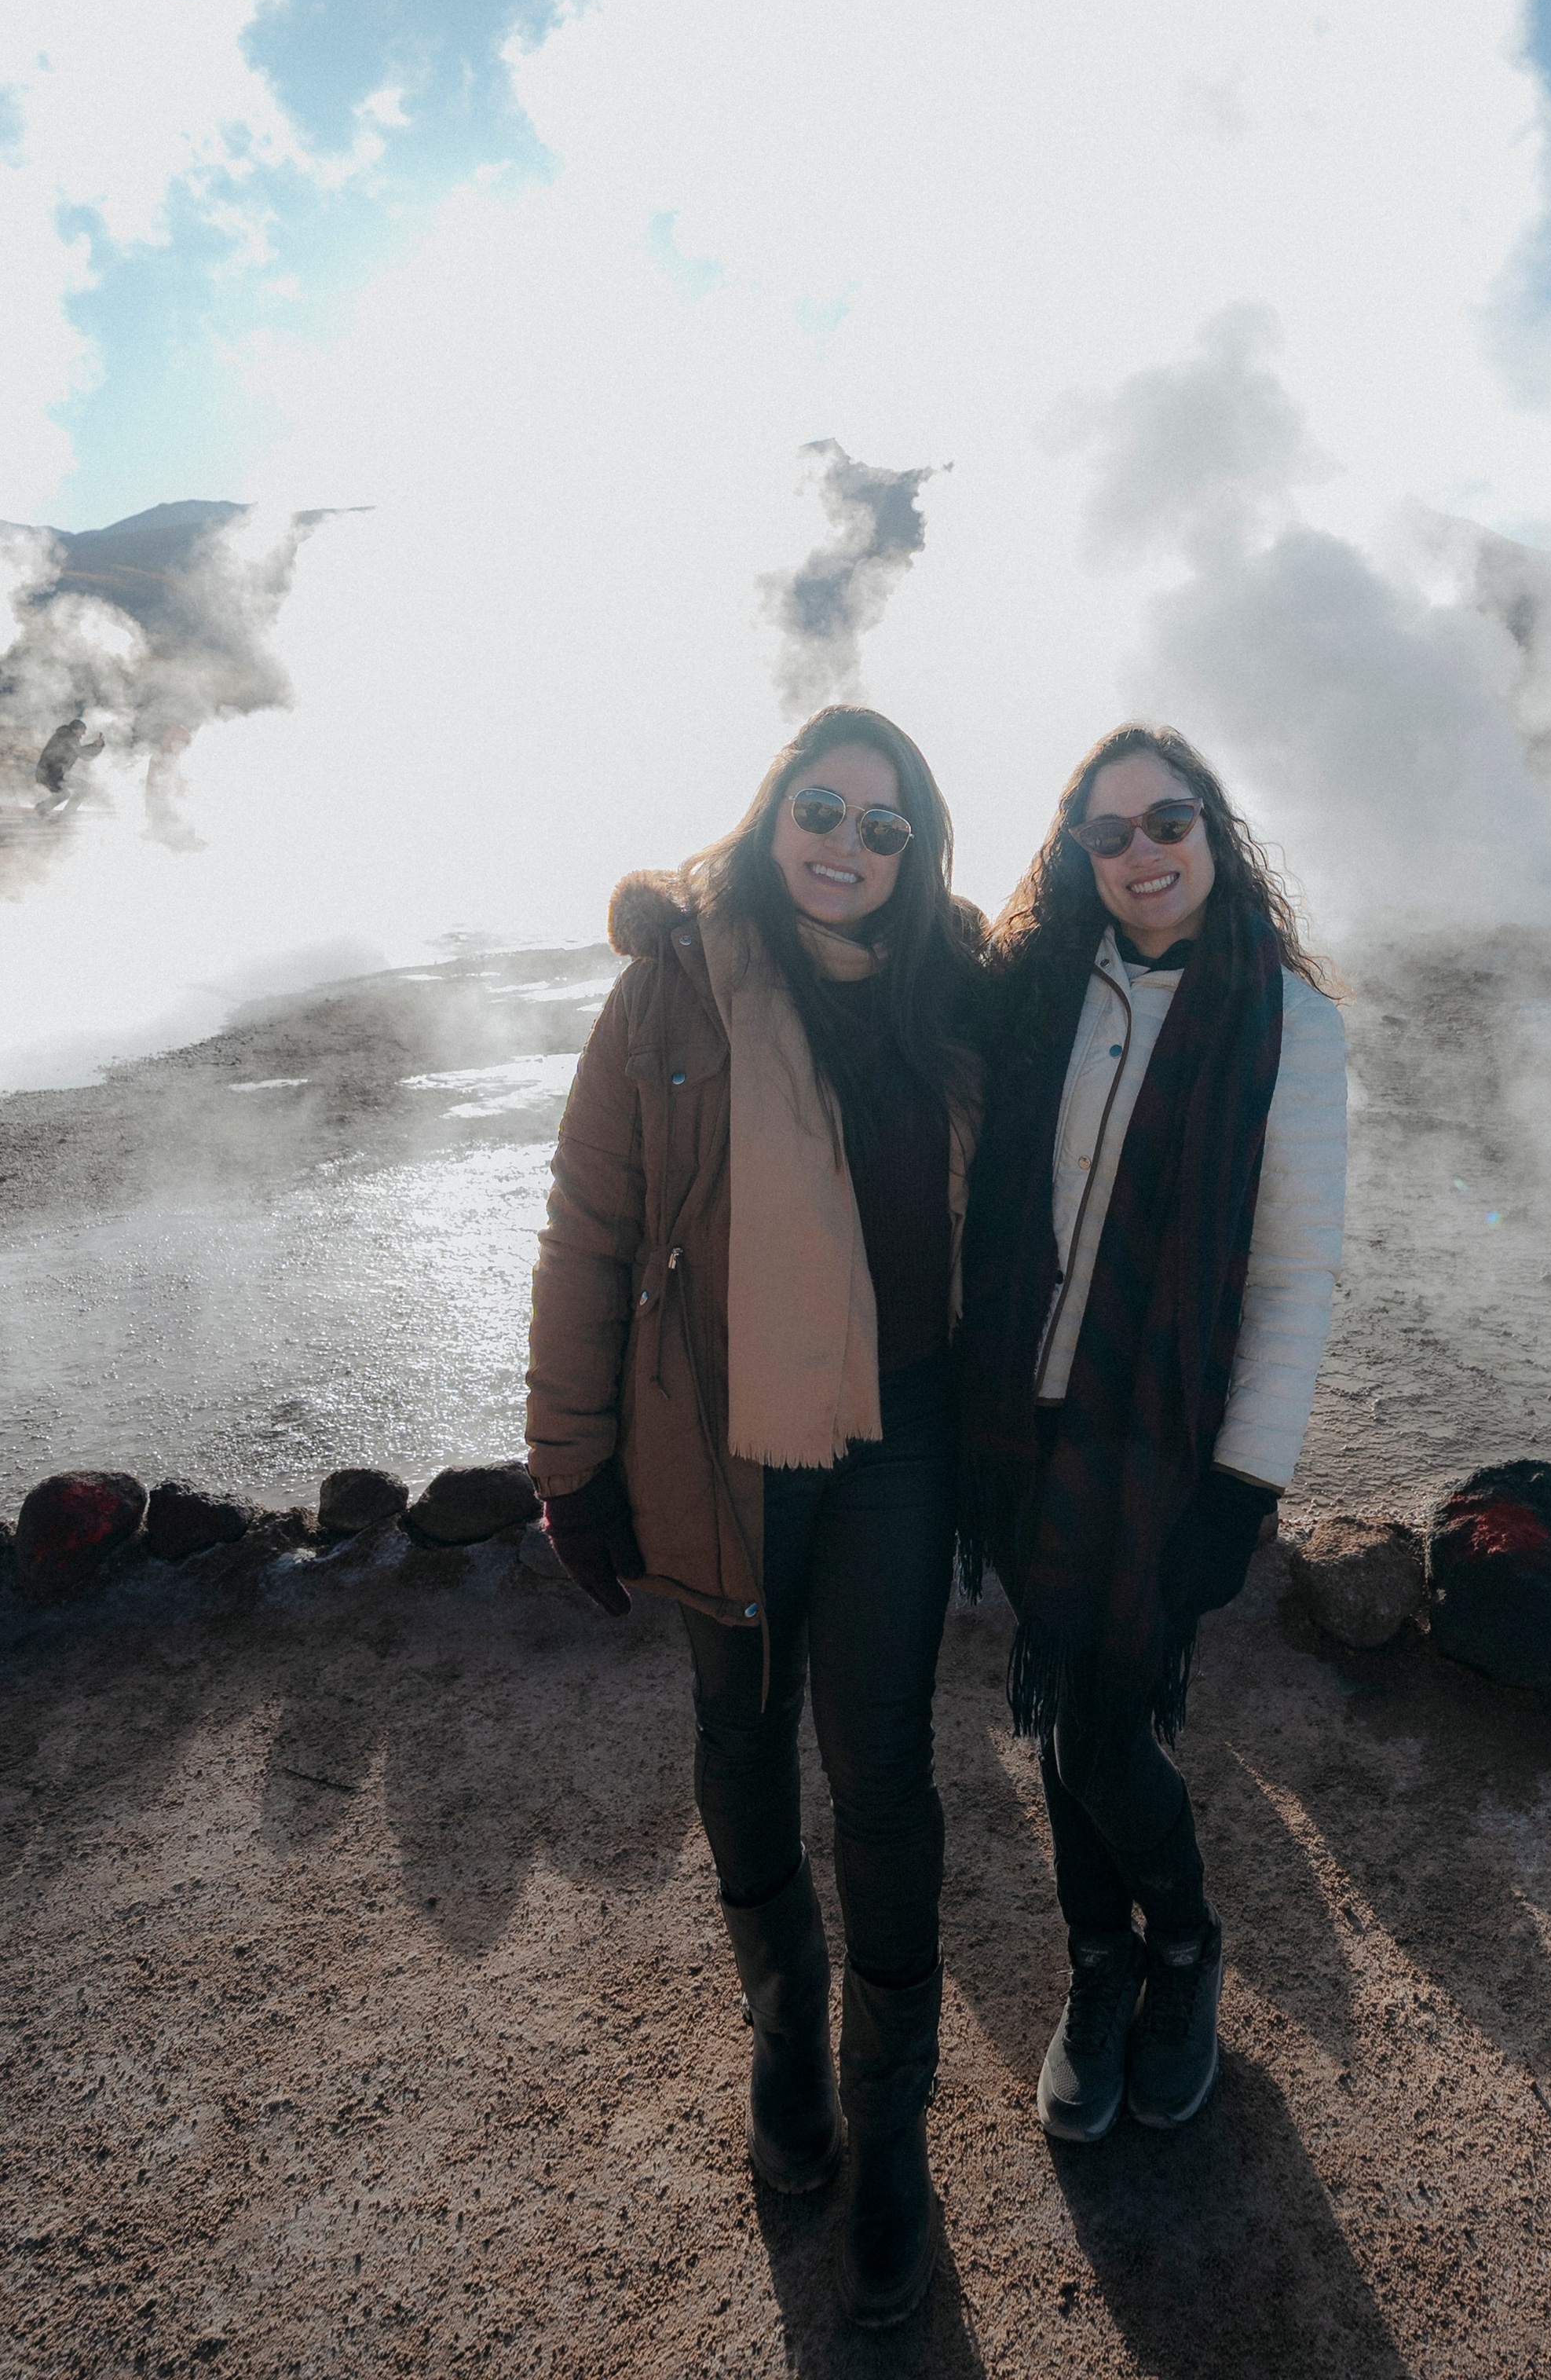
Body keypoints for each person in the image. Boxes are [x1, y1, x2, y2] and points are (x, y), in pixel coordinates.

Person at [525, 705, 982, 2326]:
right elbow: (590, 1231)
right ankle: (784, 2037)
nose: (847, 844)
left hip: (903, 1441)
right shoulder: (675, 984)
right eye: (822, 807)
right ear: (773, 812)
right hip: (721, 1443)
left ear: (912, 850)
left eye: (882, 823)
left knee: (882, 1773)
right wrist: (570, 1462)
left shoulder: (951, 998)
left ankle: (895, 2124)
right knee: (739, 1734)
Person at [956, 723, 1347, 2144]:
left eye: (1164, 820)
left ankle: (1174, 1949)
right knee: (1067, 1705)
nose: (1140, 852)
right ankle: (1101, 1961)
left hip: (1163, 1441)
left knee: (1105, 1725)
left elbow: (1295, 1275)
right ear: (1076, 852)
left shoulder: (1289, 1022)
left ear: (1212, 829)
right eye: (1106, 832)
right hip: (1024, 1422)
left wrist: (1244, 1488)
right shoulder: (1041, 988)